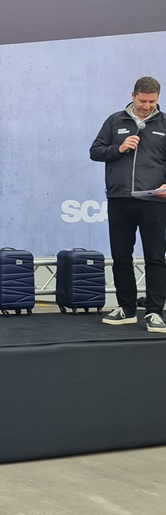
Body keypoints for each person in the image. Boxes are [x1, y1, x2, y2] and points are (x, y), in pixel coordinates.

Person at [90, 76, 166, 333]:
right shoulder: (115, 121)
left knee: (155, 257)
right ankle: (126, 309)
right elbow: (95, 151)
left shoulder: (164, 123)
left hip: (154, 201)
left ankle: (155, 312)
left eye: (152, 101)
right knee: (121, 256)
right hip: (120, 199)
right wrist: (119, 148)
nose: (147, 106)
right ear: (133, 96)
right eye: (143, 101)